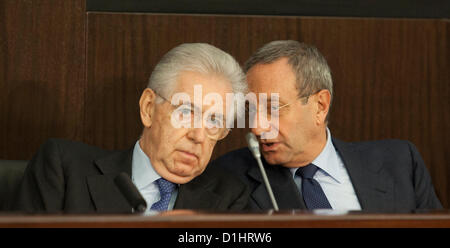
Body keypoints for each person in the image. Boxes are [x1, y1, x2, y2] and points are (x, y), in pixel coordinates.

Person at [13, 43, 250, 213]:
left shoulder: (229, 198)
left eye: (213, 121)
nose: (198, 136)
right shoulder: (66, 169)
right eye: (186, 112)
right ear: (148, 108)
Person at [211, 40, 442, 212]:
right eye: (251, 110)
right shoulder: (229, 178)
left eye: (273, 109)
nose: (257, 128)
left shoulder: (400, 162)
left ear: (320, 106)